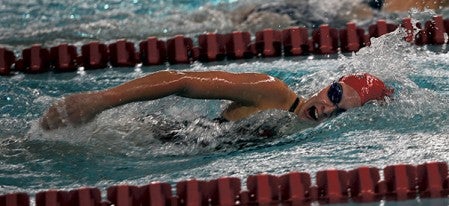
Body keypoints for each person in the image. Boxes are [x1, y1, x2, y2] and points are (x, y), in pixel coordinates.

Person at [40, 70, 393, 130]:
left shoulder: (310, 137)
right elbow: (184, 82)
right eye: (333, 94)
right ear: (325, 86)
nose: (328, 107)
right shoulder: (273, 92)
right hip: (148, 139)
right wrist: (101, 100)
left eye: (339, 111)